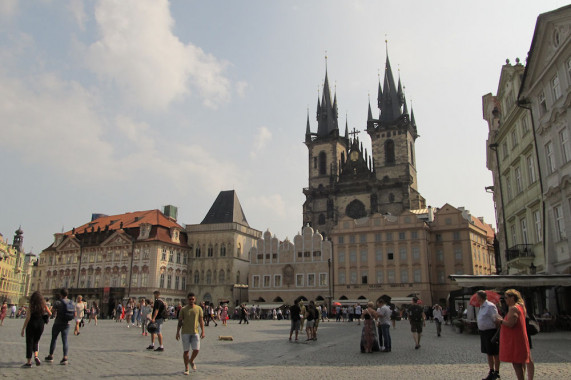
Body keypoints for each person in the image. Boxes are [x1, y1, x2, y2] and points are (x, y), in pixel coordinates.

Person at [496, 289, 531, 380]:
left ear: (512, 298)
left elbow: (511, 324)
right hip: (519, 338)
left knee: (516, 364)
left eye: (506, 298)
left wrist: (500, 321)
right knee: (521, 363)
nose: (505, 300)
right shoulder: (521, 306)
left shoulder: (513, 308)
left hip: (514, 340)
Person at [176, 293, 205, 375]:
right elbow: (180, 321)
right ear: (187, 300)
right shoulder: (183, 309)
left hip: (195, 332)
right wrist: (177, 332)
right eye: (190, 299)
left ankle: (191, 360)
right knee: (186, 351)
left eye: (193, 299)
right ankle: (186, 368)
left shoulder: (199, 308)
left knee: (196, 350)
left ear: (195, 299)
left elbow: (201, 321)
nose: (191, 301)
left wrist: (203, 331)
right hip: (185, 332)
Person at [21, 291, 51, 367]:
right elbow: (50, 313)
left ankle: (29, 362)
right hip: (40, 324)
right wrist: (44, 316)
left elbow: (28, 317)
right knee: (36, 341)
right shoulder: (43, 304)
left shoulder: (31, 305)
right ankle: (36, 356)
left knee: (29, 342)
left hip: (32, 323)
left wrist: (23, 328)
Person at [476, 291, 500, 380]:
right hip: (484, 333)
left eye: (477, 297)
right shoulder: (481, 307)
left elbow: (496, 319)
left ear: (481, 298)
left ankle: (496, 372)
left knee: (494, 352)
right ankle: (491, 370)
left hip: (491, 332)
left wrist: (496, 333)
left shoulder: (490, 306)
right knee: (489, 353)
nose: (476, 299)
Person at [45, 288, 73, 365]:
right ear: (67, 294)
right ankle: (65, 357)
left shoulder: (58, 302)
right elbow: (74, 314)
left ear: (61, 294)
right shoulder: (71, 302)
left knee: (54, 339)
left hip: (58, 323)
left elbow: (52, 311)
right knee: (65, 340)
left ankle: (50, 356)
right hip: (67, 324)